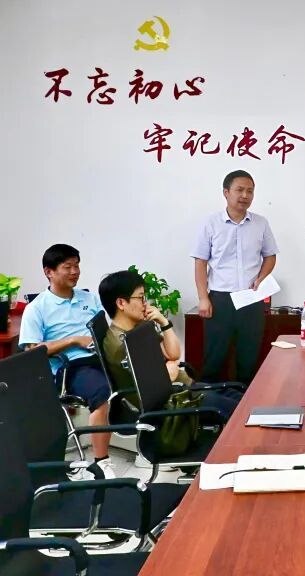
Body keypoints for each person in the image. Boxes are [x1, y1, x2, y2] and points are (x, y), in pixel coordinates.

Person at [18, 244, 115, 478]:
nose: (74, 271)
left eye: (77, 266)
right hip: (71, 367)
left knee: (145, 376)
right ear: (48, 272)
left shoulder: (89, 298)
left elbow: (105, 331)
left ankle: (154, 448)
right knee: (102, 391)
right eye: (67, 267)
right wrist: (73, 341)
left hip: (101, 358)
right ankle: (101, 463)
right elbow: (32, 349)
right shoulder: (37, 308)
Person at [97, 270, 242, 419]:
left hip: (185, 389)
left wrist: (164, 322)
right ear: (121, 303)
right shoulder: (121, 344)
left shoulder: (139, 326)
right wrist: (168, 371)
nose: (145, 303)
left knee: (241, 397)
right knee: (239, 413)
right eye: (140, 298)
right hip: (174, 404)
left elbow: (173, 354)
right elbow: (155, 387)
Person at [191, 170, 278, 384]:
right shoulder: (211, 223)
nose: (245, 195)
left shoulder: (261, 223)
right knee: (214, 358)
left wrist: (261, 278)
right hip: (220, 300)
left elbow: (270, 256)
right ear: (226, 192)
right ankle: (209, 402)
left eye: (250, 191)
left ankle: (244, 401)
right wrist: (203, 298)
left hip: (251, 300)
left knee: (249, 358)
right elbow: (200, 262)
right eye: (240, 190)